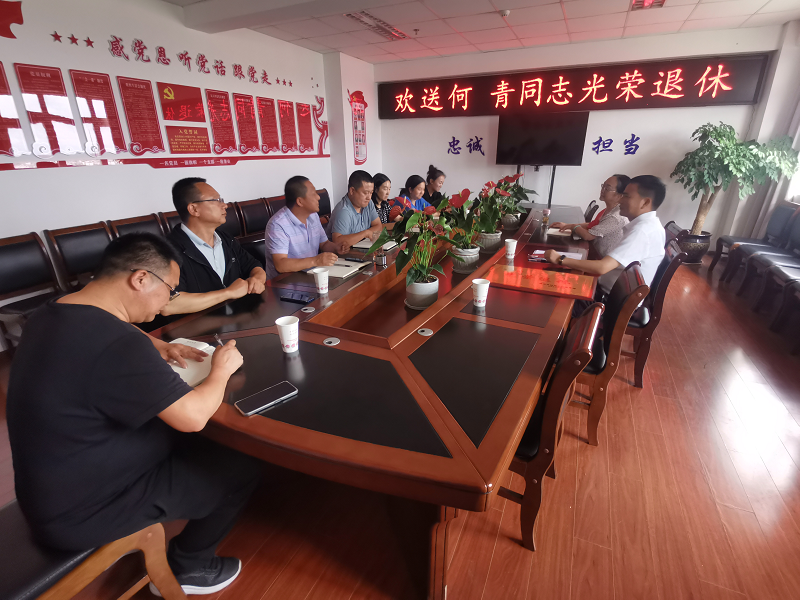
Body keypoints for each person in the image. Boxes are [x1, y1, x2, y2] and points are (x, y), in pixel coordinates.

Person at [7, 233, 262, 596]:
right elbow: (192, 417)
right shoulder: (117, 345)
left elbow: (116, 329)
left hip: (53, 488)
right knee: (240, 464)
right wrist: (221, 369)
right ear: (141, 279)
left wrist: (157, 344)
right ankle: (190, 567)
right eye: (170, 290)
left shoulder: (52, 311)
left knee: (181, 430)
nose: (167, 302)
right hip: (84, 512)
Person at [544, 175, 666, 296]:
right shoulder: (649, 226)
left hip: (605, 297)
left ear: (645, 202)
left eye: (626, 196)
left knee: (547, 286)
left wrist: (560, 259)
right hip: (605, 287)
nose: (620, 200)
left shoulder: (643, 232)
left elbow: (602, 267)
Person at [164, 177, 267, 315]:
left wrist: (257, 279)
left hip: (239, 318)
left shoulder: (225, 239)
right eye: (216, 200)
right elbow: (169, 305)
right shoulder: (167, 250)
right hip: (197, 325)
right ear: (194, 209)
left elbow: (253, 265)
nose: (224, 205)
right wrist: (228, 293)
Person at [265, 176, 350, 279]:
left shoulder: (313, 215)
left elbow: (324, 244)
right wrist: (315, 260)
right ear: (300, 201)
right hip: (285, 283)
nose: (318, 197)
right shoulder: (277, 225)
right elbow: (281, 265)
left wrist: (336, 247)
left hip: (311, 275)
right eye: (313, 194)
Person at [551, 174, 630, 257]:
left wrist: (573, 227)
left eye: (607, 188)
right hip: (594, 251)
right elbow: (594, 225)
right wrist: (567, 225)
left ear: (619, 196)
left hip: (600, 259)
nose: (602, 190)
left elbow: (588, 236)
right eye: (603, 186)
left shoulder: (615, 217)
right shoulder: (610, 209)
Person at [326, 170, 382, 246]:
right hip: (344, 253)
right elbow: (338, 242)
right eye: (365, 193)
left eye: (371, 193)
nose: (369, 197)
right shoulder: (343, 211)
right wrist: (365, 234)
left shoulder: (368, 203)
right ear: (352, 191)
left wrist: (364, 234)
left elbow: (378, 226)